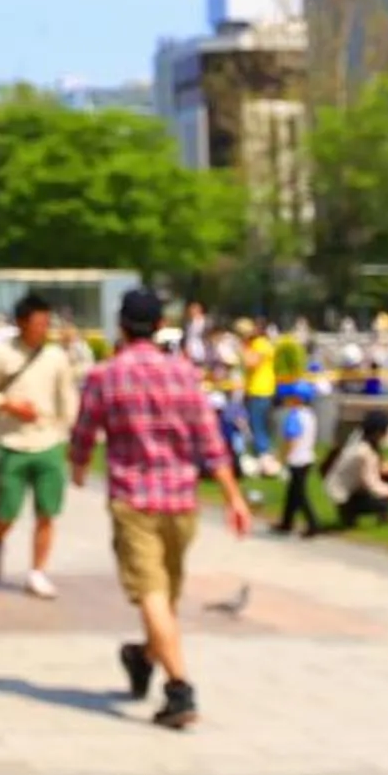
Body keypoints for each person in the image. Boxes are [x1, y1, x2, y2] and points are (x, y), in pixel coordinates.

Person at [70, 287, 251, 732]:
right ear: (158, 326)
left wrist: (76, 467)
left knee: (154, 597)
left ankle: (178, 688)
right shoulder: (184, 374)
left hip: (134, 500)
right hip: (182, 501)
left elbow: (84, 432)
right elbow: (211, 442)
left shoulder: (105, 376)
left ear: (121, 326)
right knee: (164, 596)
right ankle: (144, 657)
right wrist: (233, 497)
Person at [0, 293, 81, 598]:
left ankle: (37, 571)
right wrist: (8, 405)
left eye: (48, 322)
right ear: (22, 323)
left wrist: (69, 433)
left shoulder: (56, 356)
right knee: (7, 508)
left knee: (48, 510)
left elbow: (67, 397)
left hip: (48, 442)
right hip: (11, 442)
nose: (44, 328)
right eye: (38, 322)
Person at [324, 411, 388, 528]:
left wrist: (387, 469)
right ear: (377, 431)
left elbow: (376, 466)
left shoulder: (364, 441)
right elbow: (373, 484)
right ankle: (351, 513)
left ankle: (355, 514)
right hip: (344, 495)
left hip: (346, 487)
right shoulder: (363, 450)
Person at [273, 380, 323, 539]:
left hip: (296, 459)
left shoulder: (294, 416)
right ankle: (286, 522)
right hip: (307, 457)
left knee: (299, 494)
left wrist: (282, 458)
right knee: (292, 493)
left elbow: (291, 440)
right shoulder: (309, 415)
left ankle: (313, 523)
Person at [240, 325, 279, 477]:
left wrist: (243, 348)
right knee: (262, 426)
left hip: (258, 390)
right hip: (266, 390)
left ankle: (263, 461)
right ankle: (266, 459)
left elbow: (251, 362)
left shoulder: (259, 345)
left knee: (258, 427)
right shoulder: (267, 344)